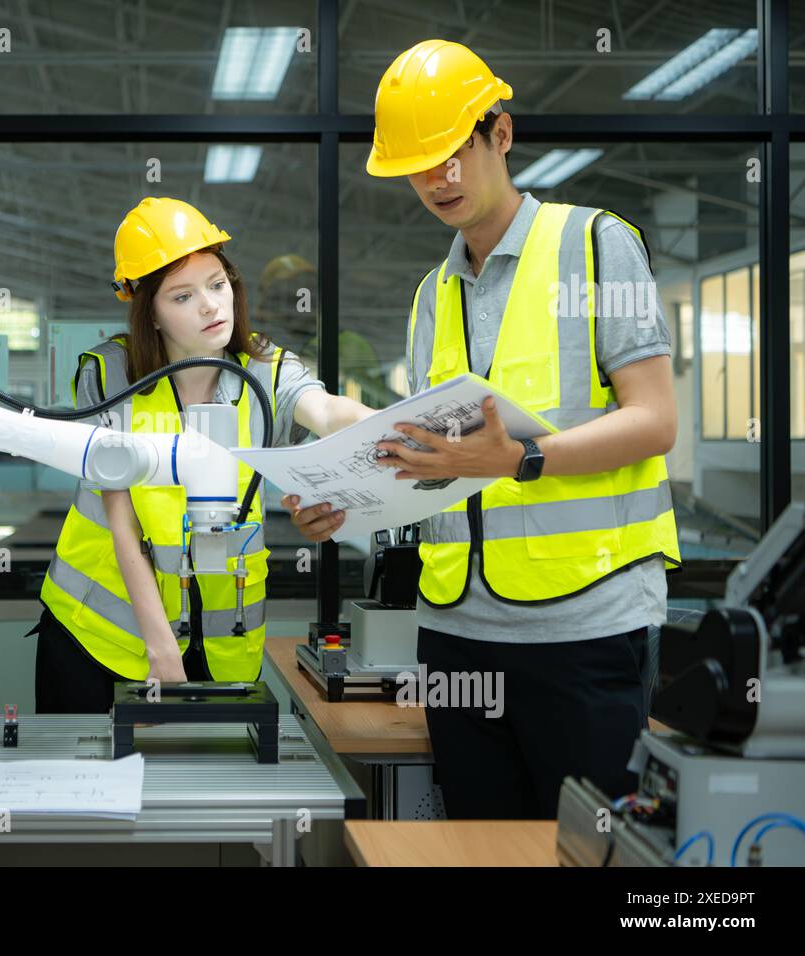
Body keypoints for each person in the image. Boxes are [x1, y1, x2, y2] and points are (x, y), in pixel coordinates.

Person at [288, 40, 681, 820]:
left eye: (453, 153)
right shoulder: (433, 293)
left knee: (588, 847)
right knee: (478, 845)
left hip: (586, 626)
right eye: (419, 164)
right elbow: (435, 462)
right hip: (457, 633)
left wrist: (522, 460)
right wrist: (344, 503)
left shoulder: (598, 245)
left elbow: (656, 420)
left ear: (500, 135)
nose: (439, 180)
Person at [33, 197, 374, 714]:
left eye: (217, 285)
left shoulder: (267, 371)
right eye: (183, 295)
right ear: (149, 310)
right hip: (99, 635)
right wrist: (159, 645)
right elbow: (119, 516)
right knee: (92, 789)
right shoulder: (110, 376)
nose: (212, 305)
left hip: (222, 645)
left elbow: (326, 412)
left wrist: (396, 425)